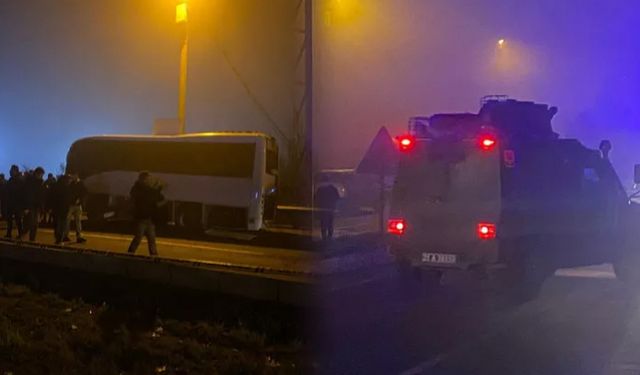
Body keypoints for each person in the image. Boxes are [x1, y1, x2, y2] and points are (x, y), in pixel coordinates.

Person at [127, 171, 164, 255]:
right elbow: (150, 195)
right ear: (142, 179)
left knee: (151, 239)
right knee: (139, 238)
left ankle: (153, 255)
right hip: (142, 218)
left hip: (149, 218)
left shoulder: (140, 188)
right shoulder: (139, 189)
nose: (148, 181)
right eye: (146, 179)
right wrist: (158, 188)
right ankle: (130, 253)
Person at [314, 175, 341, 240]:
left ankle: (324, 237)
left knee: (323, 222)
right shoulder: (333, 188)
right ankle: (329, 237)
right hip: (331, 208)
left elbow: (316, 198)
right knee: (330, 223)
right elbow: (338, 197)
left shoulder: (320, 189)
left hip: (323, 208)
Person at [24, 167, 46, 242]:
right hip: (31, 205)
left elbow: (42, 195)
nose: (42, 176)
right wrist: (26, 206)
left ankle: (32, 238)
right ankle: (27, 234)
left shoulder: (40, 182)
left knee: (35, 223)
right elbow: (28, 194)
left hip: (37, 205)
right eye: (41, 175)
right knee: (31, 222)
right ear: (37, 174)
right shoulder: (31, 182)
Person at [4, 165, 25, 239]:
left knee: (18, 219)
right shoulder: (11, 180)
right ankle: (9, 233)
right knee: (9, 219)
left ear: (15, 171)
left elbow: (21, 193)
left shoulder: (19, 181)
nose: (11, 171)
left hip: (17, 204)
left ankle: (20, 233)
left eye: (12, 170)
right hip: (11, 203)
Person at [51, 174, 73, 244]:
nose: (70, 181)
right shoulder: (65, 188)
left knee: (59, 224)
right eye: (69, 180)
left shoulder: (60, 186)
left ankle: (59, 238)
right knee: (60, 224)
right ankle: (59, 238)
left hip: (60, 208)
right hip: (60, 208)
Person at [66, 175, 87, 243]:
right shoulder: (73, 184)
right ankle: (66, 235)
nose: (73, 177)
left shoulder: (80, 184)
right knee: (69, 221)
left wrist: (80, 199)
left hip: (76, 205)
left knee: (77, 221)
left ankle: (78, 236)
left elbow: (84, 193)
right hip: (73, 204)